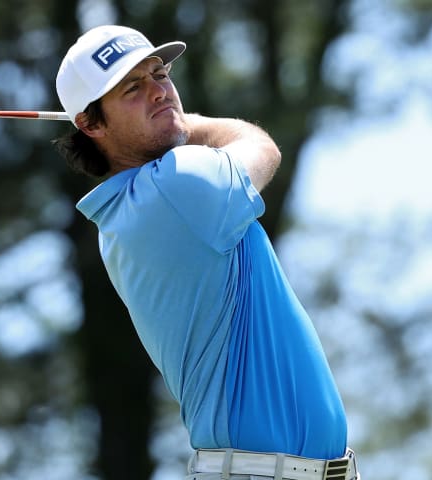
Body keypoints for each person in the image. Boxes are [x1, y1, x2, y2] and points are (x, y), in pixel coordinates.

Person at [54, 25, 360, 480]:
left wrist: (166, 119)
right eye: (132, 88)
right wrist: (188, 123)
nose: (159, 92)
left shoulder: (128, 209)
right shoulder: (175, 184)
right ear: (91, 124)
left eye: (159, 75)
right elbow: (261, 147)